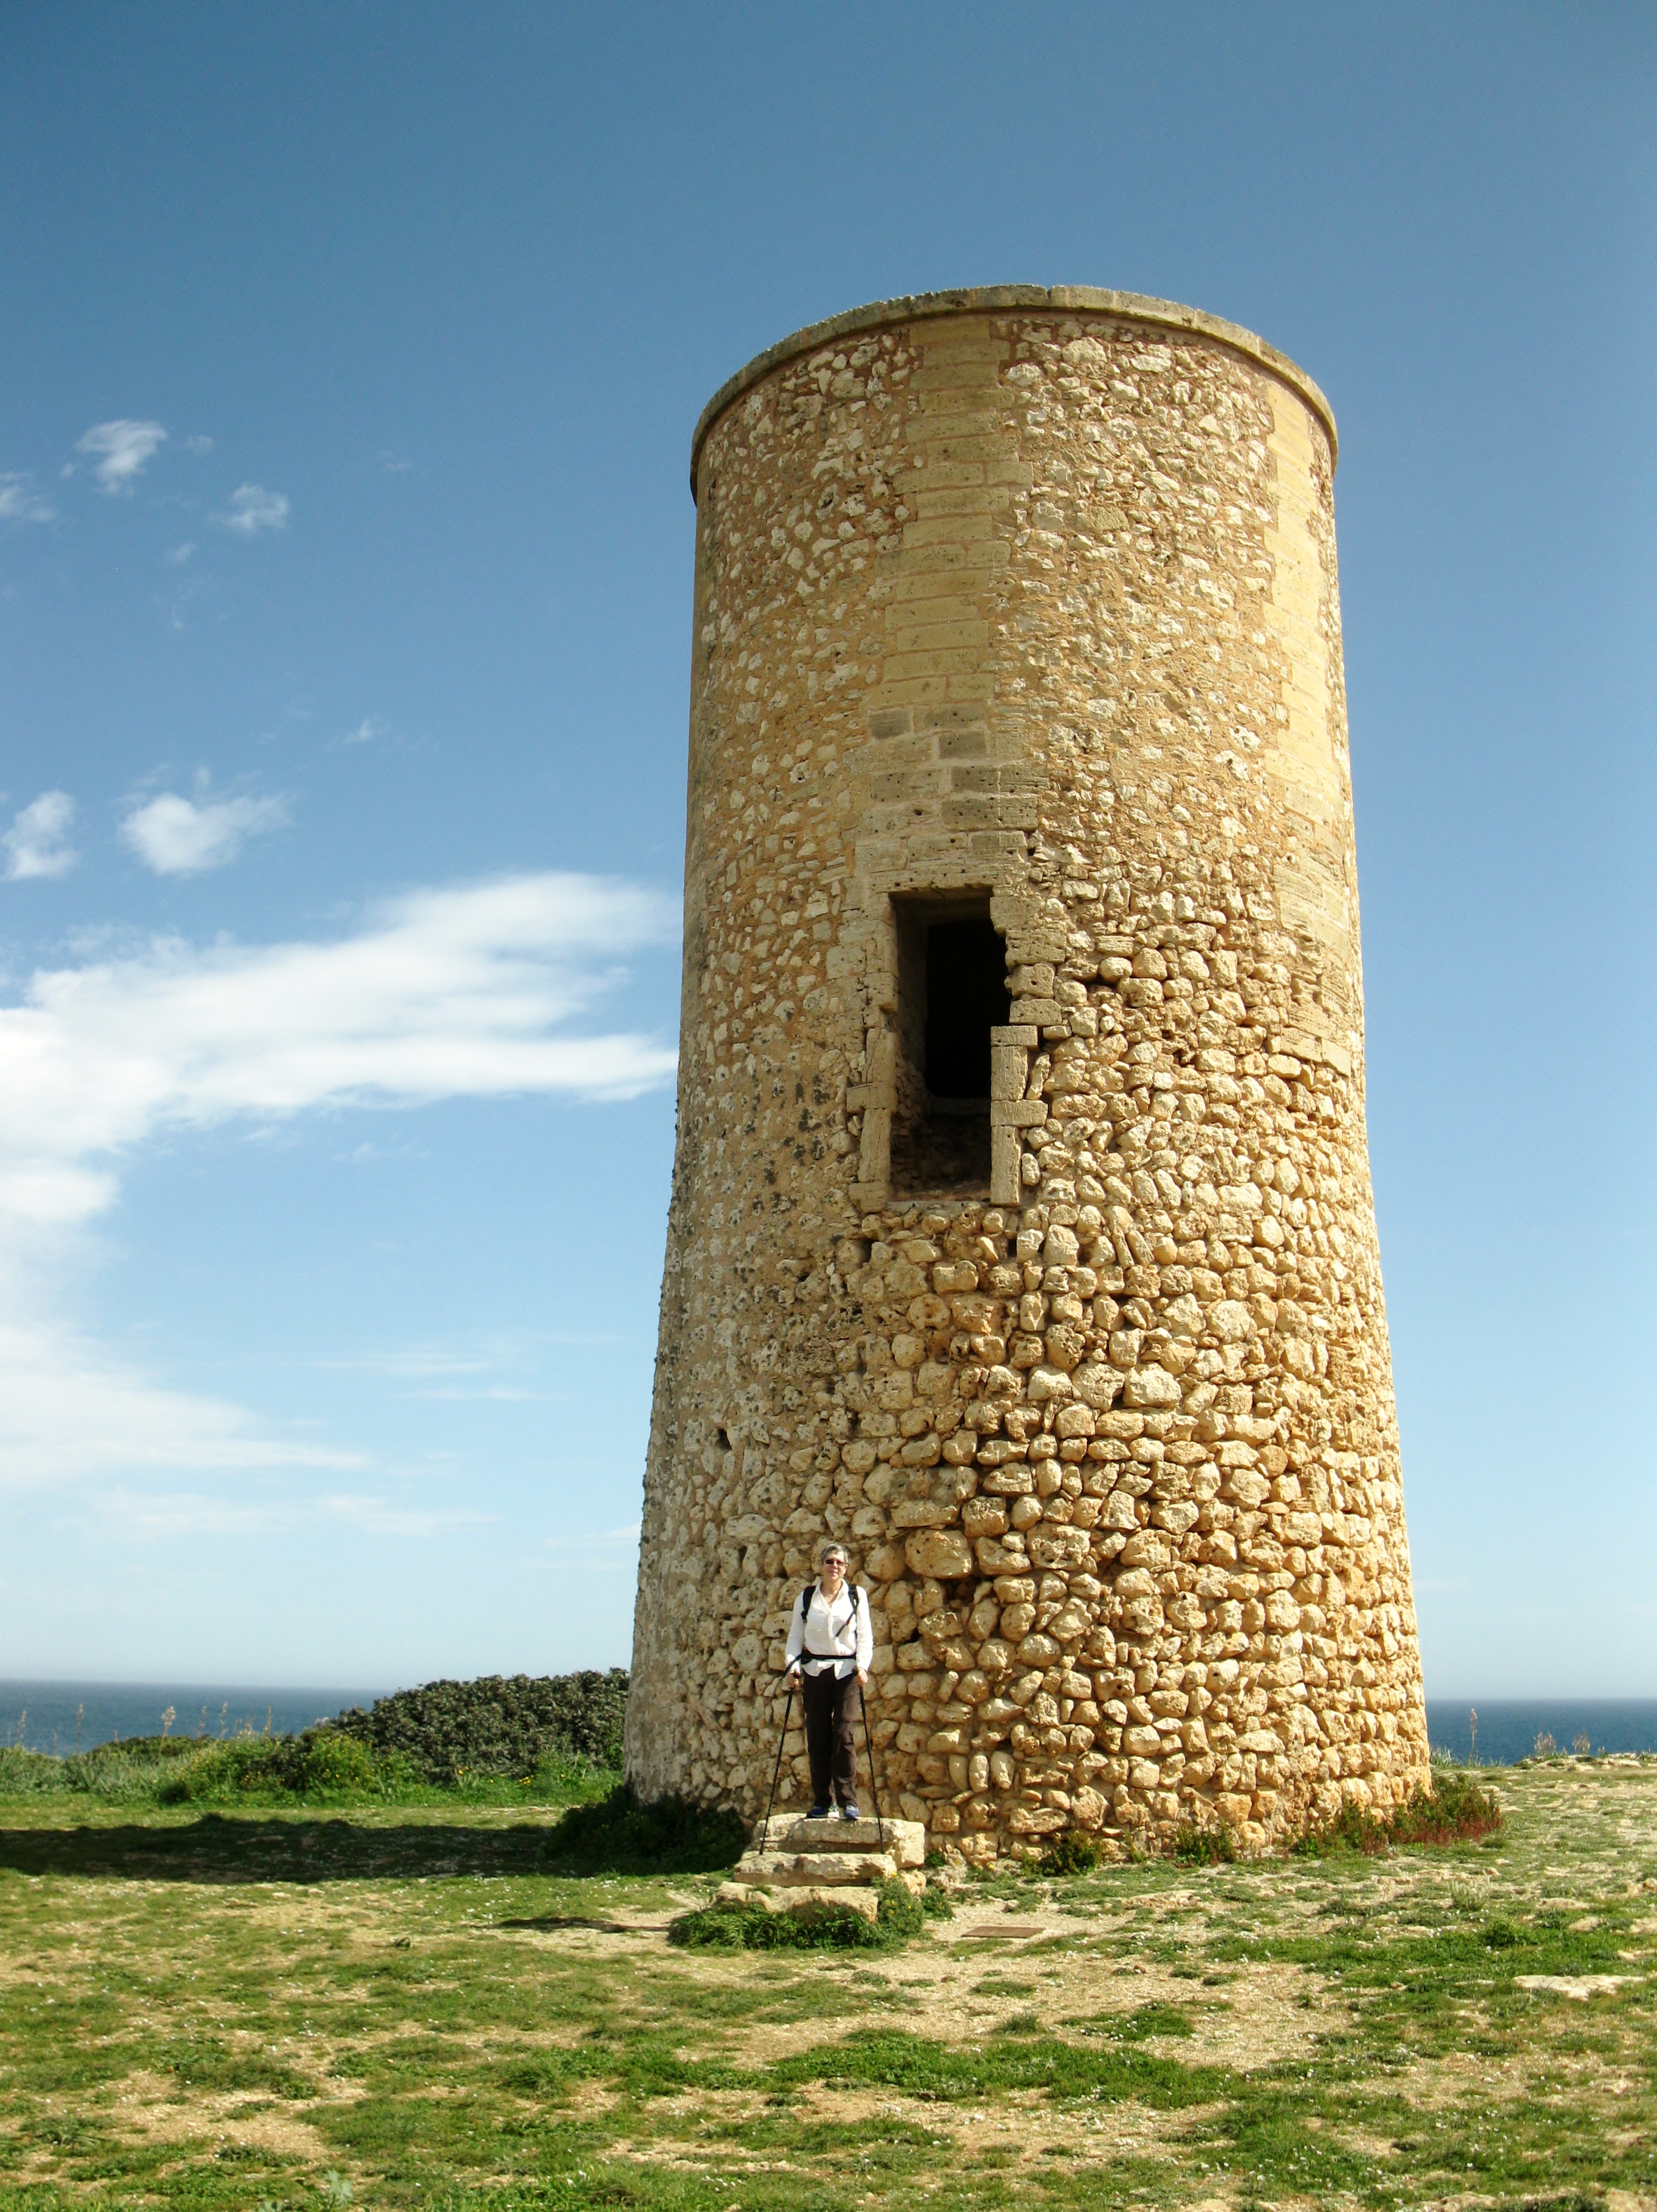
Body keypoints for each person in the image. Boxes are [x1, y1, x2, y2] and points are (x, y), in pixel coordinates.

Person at [784, 1542, 873, 1820]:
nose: (835, 1567)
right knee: (818, 1735)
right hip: (815, 1671)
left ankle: (848, 1802)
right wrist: (792, 1667)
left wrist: (863, 1666)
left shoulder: (856, 1596)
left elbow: (865, 1636)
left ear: (846, 1568)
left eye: (840, 1563)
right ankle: (824, 1801)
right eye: (830, 1561)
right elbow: (796, 1637)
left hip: (847, 1671)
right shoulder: (807, 1598)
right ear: (821, 1565)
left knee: (844, 1735)